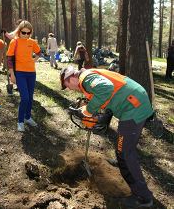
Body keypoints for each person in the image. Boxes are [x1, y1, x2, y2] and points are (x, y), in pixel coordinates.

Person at [60, 66, 153, 208]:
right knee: (124, 147)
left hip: (133, 107)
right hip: (135, 100)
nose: (71, 90)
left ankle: (143, 197)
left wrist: (89, 111)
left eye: (68, 86)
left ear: (72, 78)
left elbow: (106, 87)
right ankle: (123, 162)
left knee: (124, 154)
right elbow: (105, 95)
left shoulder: (85, 79)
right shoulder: (88, 75)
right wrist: (92, 112)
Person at [6, 20, 42, 131]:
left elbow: (39, 52)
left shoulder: (32, 42)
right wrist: (12, 75)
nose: (26, 35)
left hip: (31, 73)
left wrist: (33, 61)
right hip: (20, 73)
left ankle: (27, 117)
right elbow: (10, 60)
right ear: (19, 31)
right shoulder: (14, 42)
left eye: (28, 33)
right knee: (25, 97)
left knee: (30, 97)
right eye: (23, 32)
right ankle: (20, 121)